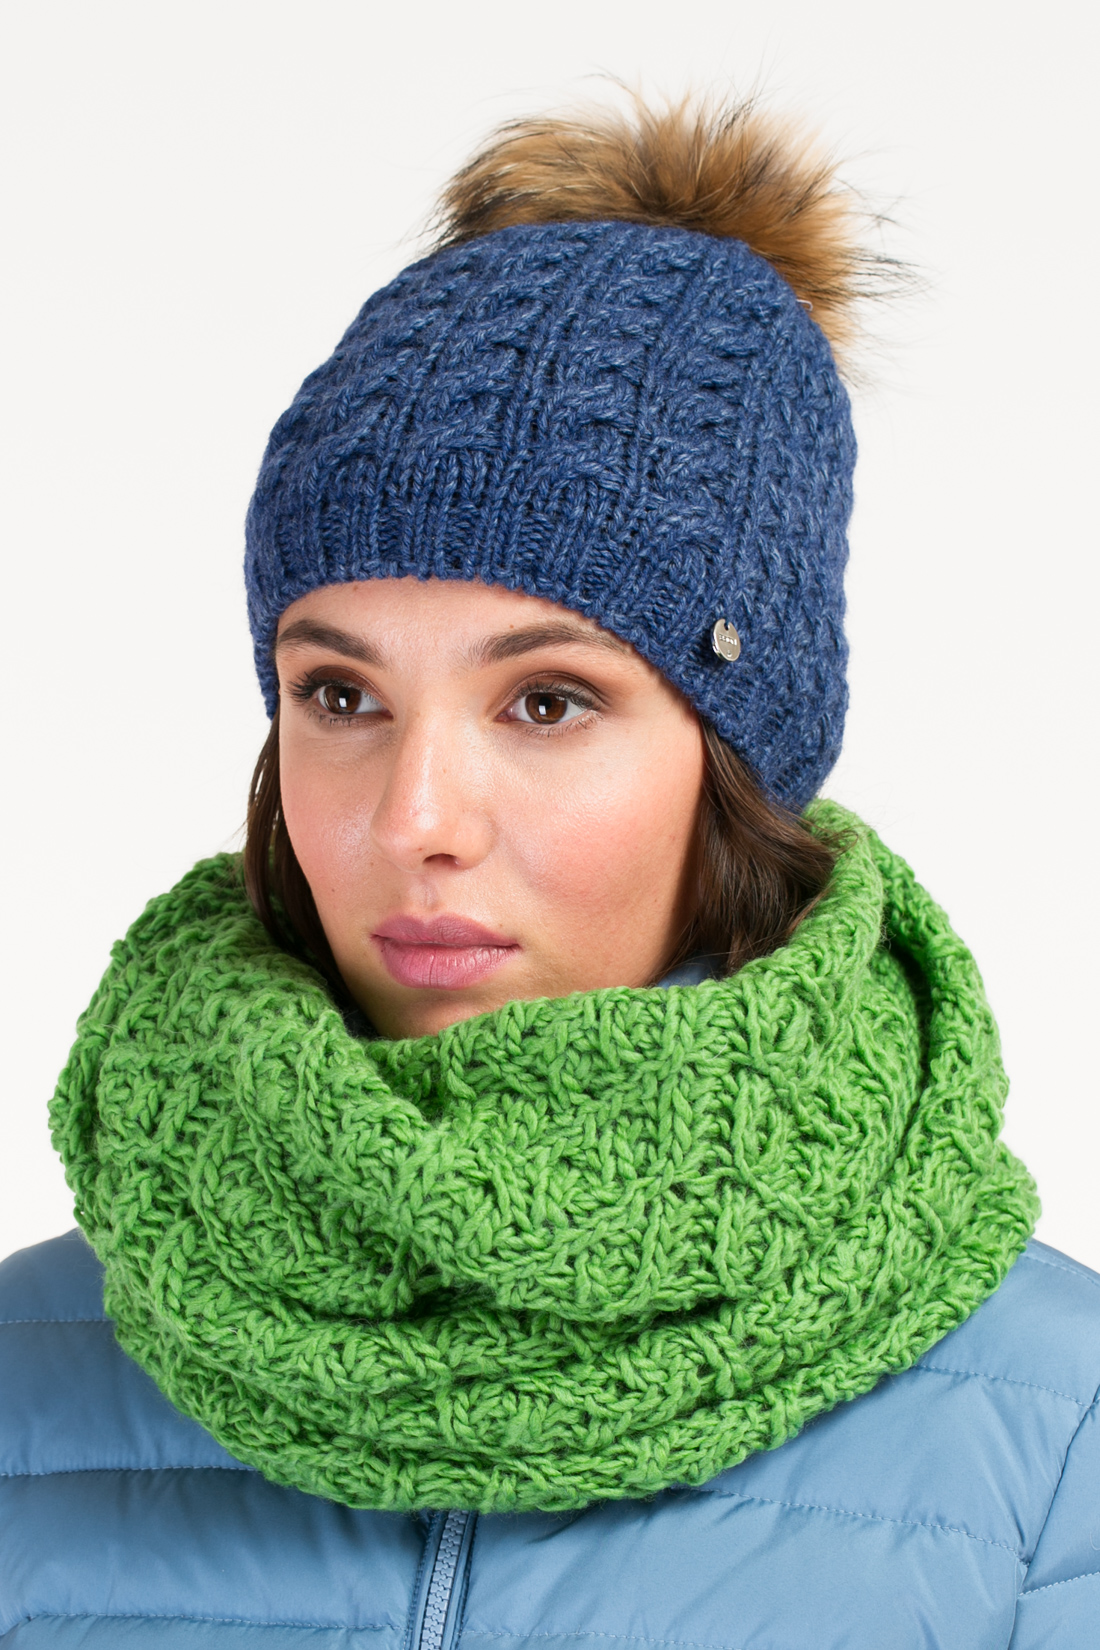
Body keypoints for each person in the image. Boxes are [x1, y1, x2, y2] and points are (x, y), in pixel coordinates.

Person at [2, 94, 1098, 1650]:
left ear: (737, 755)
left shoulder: (1057, 1443)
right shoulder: (25, 1378)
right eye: (340, 694)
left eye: (546, 701)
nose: (416, 818)